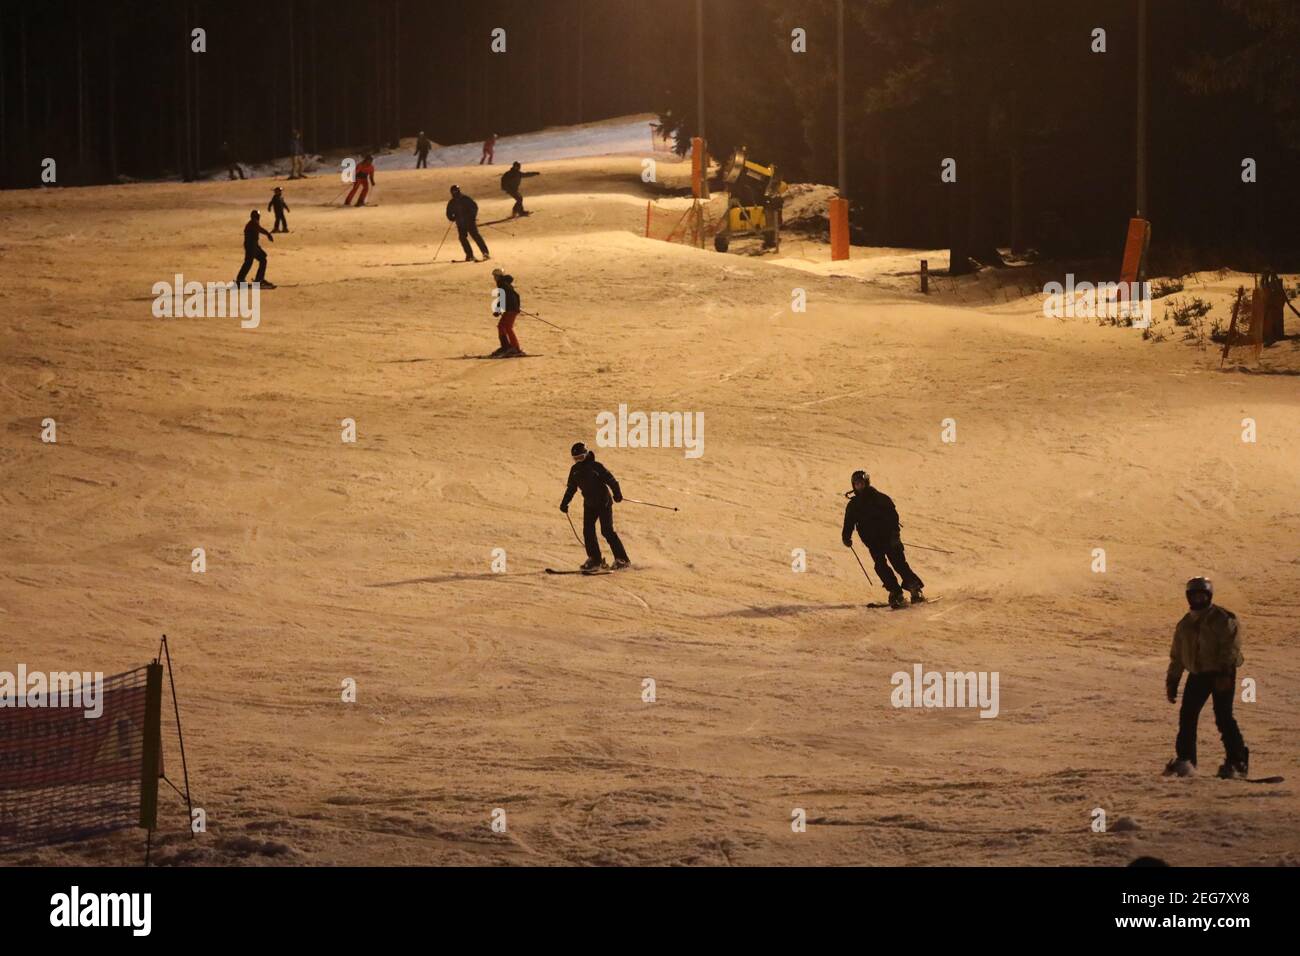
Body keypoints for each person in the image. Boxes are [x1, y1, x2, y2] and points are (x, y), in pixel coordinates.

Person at [1164, 577, 1249, 779]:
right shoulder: (1185, 624)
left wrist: (1224, 673)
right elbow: (1177, 656)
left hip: (1221, 674)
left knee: (1223, 717)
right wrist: (1173, 680)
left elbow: (1230, 647)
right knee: (1187, 716)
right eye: (1194, 595)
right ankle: (1186, 760)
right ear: (1189, 597)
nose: (1198, 599)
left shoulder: (1222, 618)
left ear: (1209, 596)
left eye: (1202, 595)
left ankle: (1237, 761)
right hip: (1198, 675)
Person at [842, 470, 924, 608]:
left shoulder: (880, 498)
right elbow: (849, 522)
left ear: (866, 483)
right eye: (856, 484)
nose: (859, 486)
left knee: (898, 563)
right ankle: (895, 592)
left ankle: (914, 588)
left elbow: (893, 517)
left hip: (889, 538)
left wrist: (895, 535)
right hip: (873, 543)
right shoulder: (854, 505)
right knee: (880, 566)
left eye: (861, 483)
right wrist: (846, 536)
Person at [560, 442, 631, 572]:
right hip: (589, 504)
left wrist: (617, 493)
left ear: (586, 454)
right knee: (588, 531)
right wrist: (565, 503)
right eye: (576, 459)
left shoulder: (596, 467)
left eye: (581, 457)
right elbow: (571, 488)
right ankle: (595, 559)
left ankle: (622, 559)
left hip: (603, 502)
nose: (578, 461)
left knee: (607, 531)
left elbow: (611, 480)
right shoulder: (575, 470)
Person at [445, 185, 490, 262]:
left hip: (470, 222)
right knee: (462, 238)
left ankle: (485, 253)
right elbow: (448, 212)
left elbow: (474, 207)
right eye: (453, 192)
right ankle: (469, 255)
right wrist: (451, 217)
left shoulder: (465, 199)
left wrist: (472, 215)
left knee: (476, 236)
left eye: (456, 191)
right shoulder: (452, 202)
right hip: (460, 223)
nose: (455, 193)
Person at [234, 210, 275, 287]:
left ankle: (256, 279)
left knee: (261, 259)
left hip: (253, 246)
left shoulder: (253, 223)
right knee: (250, 262)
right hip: (251, 246)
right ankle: (245, 279)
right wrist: (268, 234)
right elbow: (260, 229)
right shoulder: (252, 224)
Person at [490, 268, 524, 357]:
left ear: (498, 276)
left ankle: (515, 348)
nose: (494, 278)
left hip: (511, 309)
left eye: (495, 276)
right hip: (511, 308)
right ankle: (506, 346)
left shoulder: (502, 284)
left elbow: (502, 298)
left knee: (507, 327)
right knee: (501, 326)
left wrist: (497, 310)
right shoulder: (505, 284)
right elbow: (516, 295)